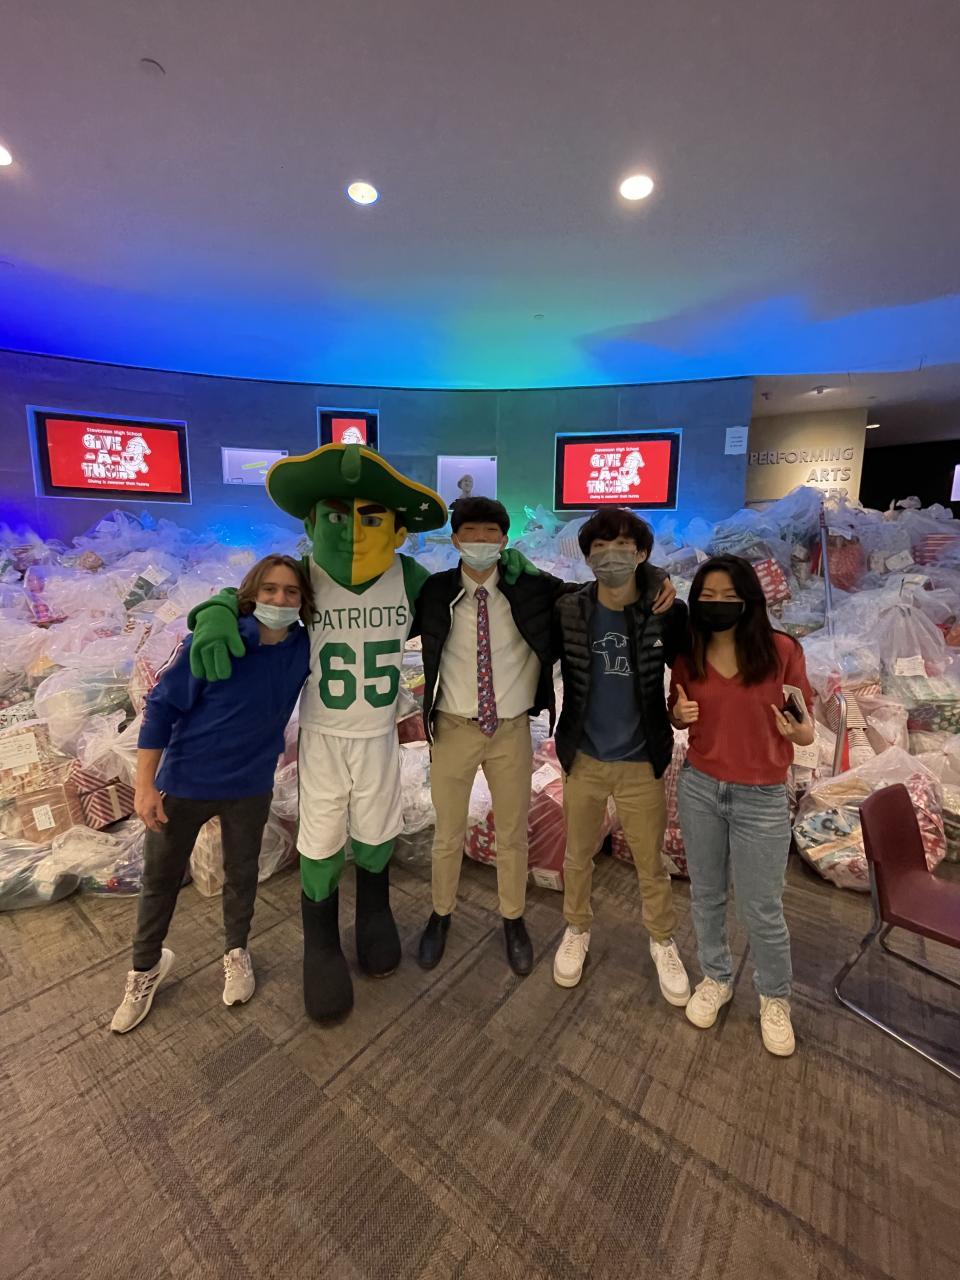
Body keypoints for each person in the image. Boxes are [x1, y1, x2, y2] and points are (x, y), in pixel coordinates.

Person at [188, 444, 449, 1022]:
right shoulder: (304, 577)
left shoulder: (407, 577)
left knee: (378, 833)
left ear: (398, 531)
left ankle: (375, 914)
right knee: (322, 840)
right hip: (324, 734)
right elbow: (254, 594)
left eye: (371, 518)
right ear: (311, 524)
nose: (352, 530)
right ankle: (321, 945)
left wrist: (514, 570)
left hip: (379, 733)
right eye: (336, 516)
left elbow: (463, 596)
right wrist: (216, 611)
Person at [415, 496, 680, 975]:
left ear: (505, 539)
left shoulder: (533, 589)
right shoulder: (433, 591)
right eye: (470, 533)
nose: (480, 541)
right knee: (447, 833)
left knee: (513, 833)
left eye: (490, 532)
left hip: (511, 730)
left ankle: (513, 918)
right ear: (454, 540)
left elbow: (602, 587)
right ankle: (440, 913)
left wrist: (656, 576)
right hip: (453, 728)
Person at [111, 555, 313, 1033]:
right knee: (160, 881)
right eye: (269, 590)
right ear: (251, 594)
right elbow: (160, 708)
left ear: (303, 601)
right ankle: (145, 968)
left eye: (291, 592)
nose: (280, 599)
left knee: (241, 875)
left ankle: (236, 951)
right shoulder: (216, 640)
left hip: (250, 786)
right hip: (185, 783)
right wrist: (145, 786)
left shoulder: (303, 646)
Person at [669, 555, 814, 1057]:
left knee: (761, 906)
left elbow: (806, 727)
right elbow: (678, 714)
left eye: (728, 596)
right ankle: (716, 976)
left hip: (762, 795)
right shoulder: (690, 652)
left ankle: (775, 996)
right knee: (706, 894)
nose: (717, 604)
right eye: (707, 596)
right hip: (700, 788)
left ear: (750, 599)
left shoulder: (781, 651)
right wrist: (678, 714)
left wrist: (799, 732)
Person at [552, 507, 691, 1004]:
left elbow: (688, 670)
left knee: (650, 862)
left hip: (640, 759)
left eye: (623, 546)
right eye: (600, 547)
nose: (610, 555)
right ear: (587, 557)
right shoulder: (570, 609)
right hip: (584, 757)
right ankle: (576, 928)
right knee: (577, 856)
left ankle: (662, 940)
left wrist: (680, 711)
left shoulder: (667, 610)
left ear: (642, 553)